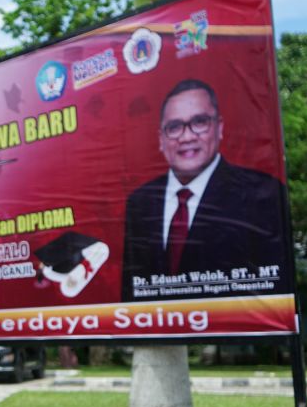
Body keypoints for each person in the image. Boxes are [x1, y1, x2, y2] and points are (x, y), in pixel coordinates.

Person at [120, 79, 291, 301]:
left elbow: (275, 291)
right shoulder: (140, 202)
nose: (187, 137)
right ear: (161, 139)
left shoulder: (262, 194)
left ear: (219, 128)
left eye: (199, 122)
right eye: (174, 127)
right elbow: (132, 291)